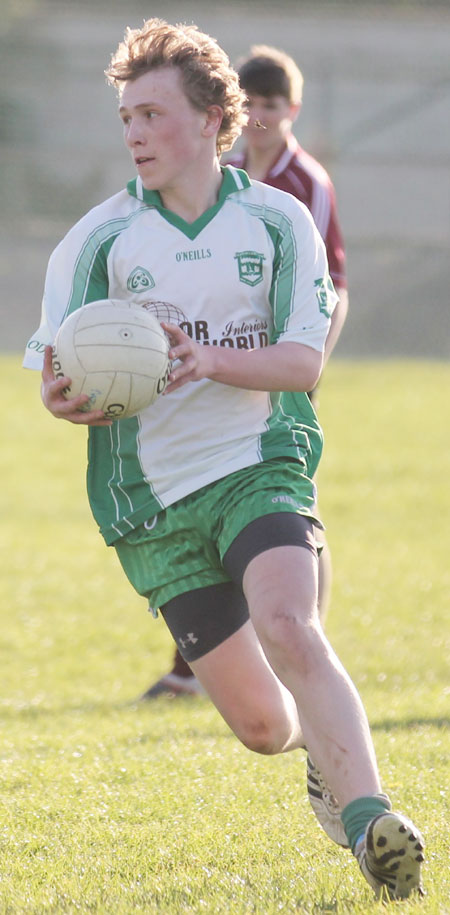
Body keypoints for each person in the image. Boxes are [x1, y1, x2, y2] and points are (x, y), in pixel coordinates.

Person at [24, 18, 424, 901]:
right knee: (261, 726)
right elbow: (56, 368)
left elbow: (302, 363)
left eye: (152, 114)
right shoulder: (98, 242)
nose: (132, 132)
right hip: (154, 506)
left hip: (257, 462)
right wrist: (61, 396)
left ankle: (370, 822)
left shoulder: (277, 222)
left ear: (212, 118)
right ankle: (319, 754)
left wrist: (205, 359)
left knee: (290, 624)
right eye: (125, 116)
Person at [143, 44, 348, 700]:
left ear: (292, 110)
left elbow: (331, 287)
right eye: (249, 104)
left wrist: (307, 367)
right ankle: (191, 667)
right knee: (206, 498)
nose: (259, 117)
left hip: (278, 369)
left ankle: (295, 636)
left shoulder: (306, 184)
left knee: (283, 507)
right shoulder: (221, 171)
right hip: (221, 362)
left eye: (271, 106)